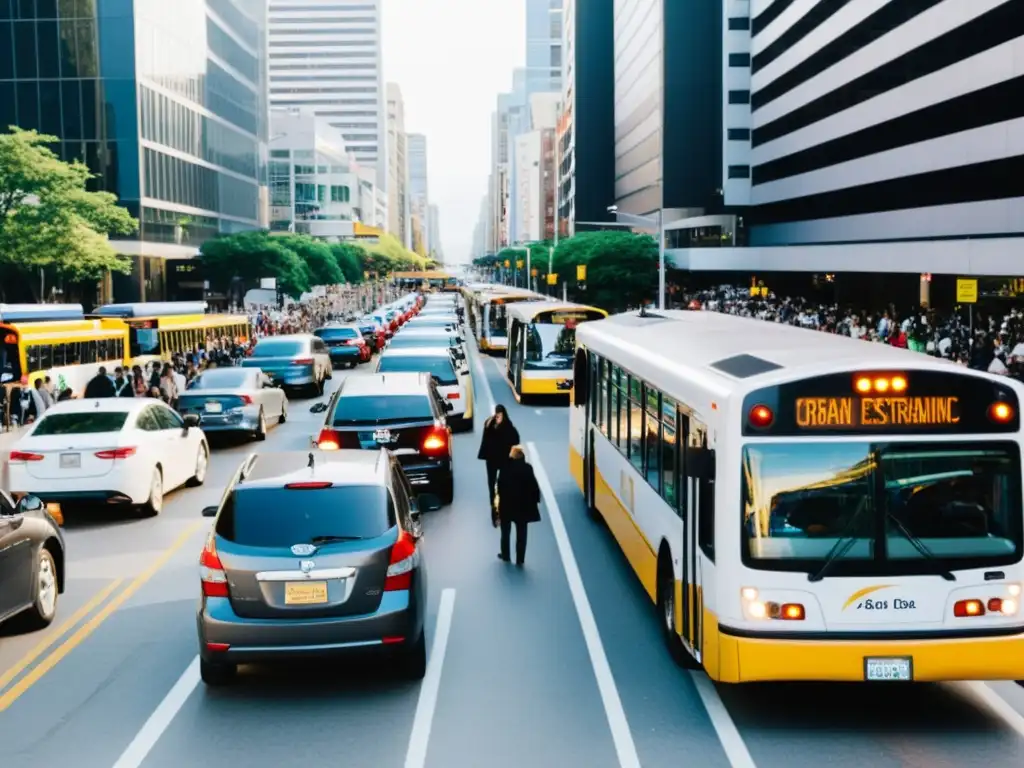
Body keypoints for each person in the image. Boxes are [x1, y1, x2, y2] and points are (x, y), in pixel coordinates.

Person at [494, 445, 541, 566]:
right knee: (522, 533)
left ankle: (506, 556)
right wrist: (535, 500)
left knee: (505, 531)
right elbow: (533, 486)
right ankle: (520, 559)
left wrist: (498, 505)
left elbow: (500, 487)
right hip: (523, 507)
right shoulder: (527, 468)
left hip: (507, 505)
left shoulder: (504, 468)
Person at [477, 404, 520, 510]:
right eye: (497, 415)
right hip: (491, 459)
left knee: (504, 481)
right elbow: (486, 437)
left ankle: (505, 502)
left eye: (500, 415)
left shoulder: (508, 426)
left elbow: (516, 439)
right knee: (491, 482)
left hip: (504, 459)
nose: (498, 417)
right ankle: (493, 503)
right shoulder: (490, 424)